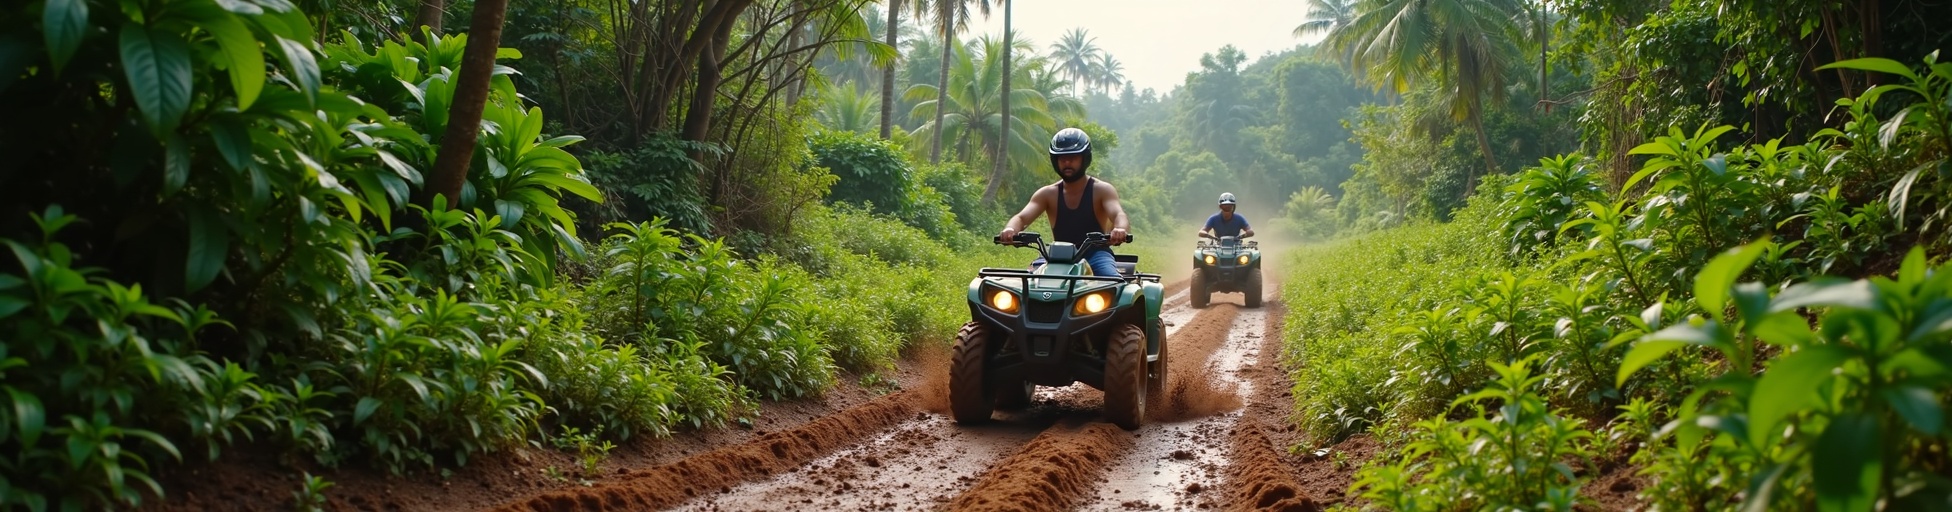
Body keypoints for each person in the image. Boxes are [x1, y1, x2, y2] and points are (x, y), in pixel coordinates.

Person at [998, 128, 1130, 277]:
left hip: (1096, 254)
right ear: (1055, 161)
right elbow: (1021, 218)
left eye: (1073, 157)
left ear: (1085, 158)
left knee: (1112, 282)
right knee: (1029, 282)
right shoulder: (1047, 194)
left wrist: (1120, 229)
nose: (1067, 162)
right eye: (1062, 158)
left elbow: (1118, 214)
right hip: (1057, 255)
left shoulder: (1102, 190)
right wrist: (1011, 229)